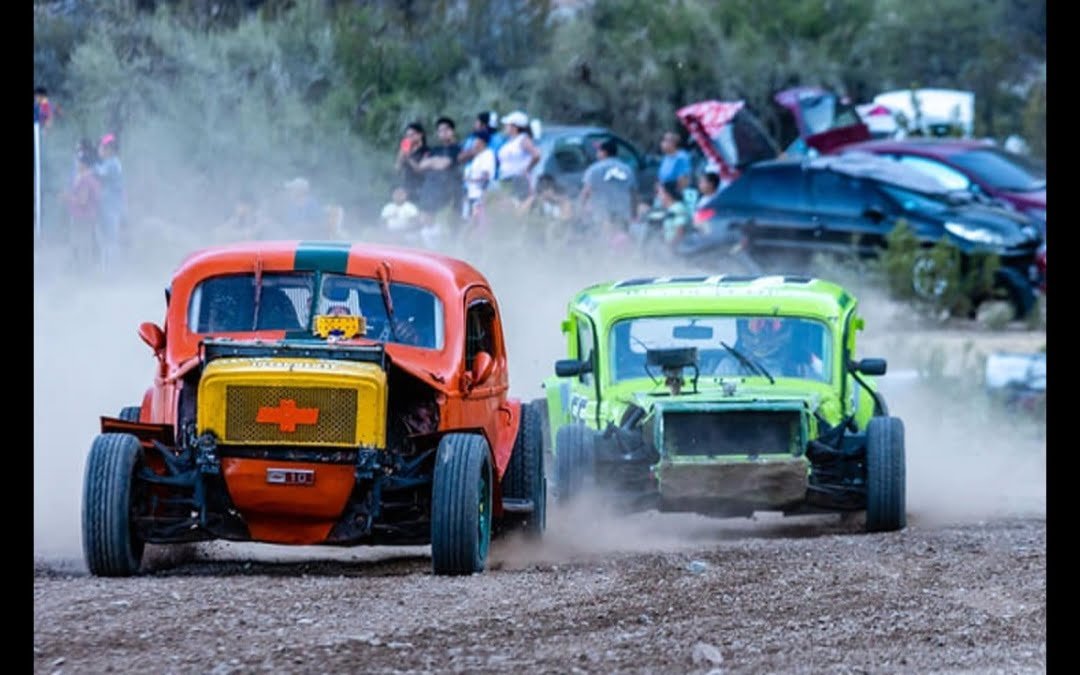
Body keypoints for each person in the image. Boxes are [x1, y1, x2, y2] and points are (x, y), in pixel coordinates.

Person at [713, 318, 821, 379]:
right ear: (745, 326)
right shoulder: (729, 367)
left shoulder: (803, 369)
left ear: (784, 327)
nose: (764, 328)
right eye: (758, 322)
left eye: (771, 322)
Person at [579, 138, 637, 241]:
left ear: (604, 153)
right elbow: (633, 193)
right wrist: (634, 214)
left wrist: (582, 211)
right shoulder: (627, 170)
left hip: (601, 215)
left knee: (604, 242)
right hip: (622, 213)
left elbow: (585, 193)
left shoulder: (594, 169)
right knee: (622, 243)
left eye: (599, 150)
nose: (597, 153)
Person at [94, 133, 126, 271]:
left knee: (110, 240)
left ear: (109, 149)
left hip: (111, 207)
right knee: (108, 239)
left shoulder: (112, 163)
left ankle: (112, 270)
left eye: (102, 147)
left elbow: (100, 173)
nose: (100, 149)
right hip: (110, 206)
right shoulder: (111, 162)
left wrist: (91, 164)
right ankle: (109, 269)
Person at [496, 110, 541, 203]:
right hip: (507, 179)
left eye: (507, 124)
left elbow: (536, 155)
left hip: (518, 179)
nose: (505, 126)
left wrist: (527, 169)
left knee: (518, 205)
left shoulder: (523, 139)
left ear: (515, 127)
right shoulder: (511, 141)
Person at [461, 129, 496, 226]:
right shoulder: (477, 157)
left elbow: (486, 177)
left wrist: (468, 180)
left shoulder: (488, 154)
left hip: (480, 197)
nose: (473, 142)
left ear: (481, 141)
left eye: (475, 139)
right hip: (472, 195)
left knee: (476, 225)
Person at [395, 122, 429, 201]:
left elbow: (420, 170)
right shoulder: (406, 149)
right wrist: (401, 154)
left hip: (420, 188)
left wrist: (408, 157)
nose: (409, 138)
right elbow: (397, 169)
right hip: (406, 187)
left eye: (412, 135)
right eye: (408, 135)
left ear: (420, 135)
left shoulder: (426, 151)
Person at [657, 131, 692, 197]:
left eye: (665, 140)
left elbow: (683, 182)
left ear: (673, 143)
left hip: (674, 196)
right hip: (664, 194)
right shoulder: (666, 158)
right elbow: (661, 178)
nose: (662, 143)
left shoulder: (681, 158)